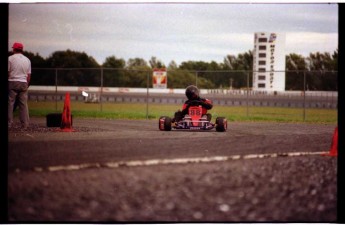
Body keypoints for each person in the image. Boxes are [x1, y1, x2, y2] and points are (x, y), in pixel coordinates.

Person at [8, 42, 31, 129]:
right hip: (24, 82)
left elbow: (8, 72)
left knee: (10, 103)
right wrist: (26, 84)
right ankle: (25, 124)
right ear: (22, 49)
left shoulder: (10, 58)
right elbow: (29, 75)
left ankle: (9, 123)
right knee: (23, 104)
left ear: (14, 49)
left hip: (12, 81)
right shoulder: (27, 60)